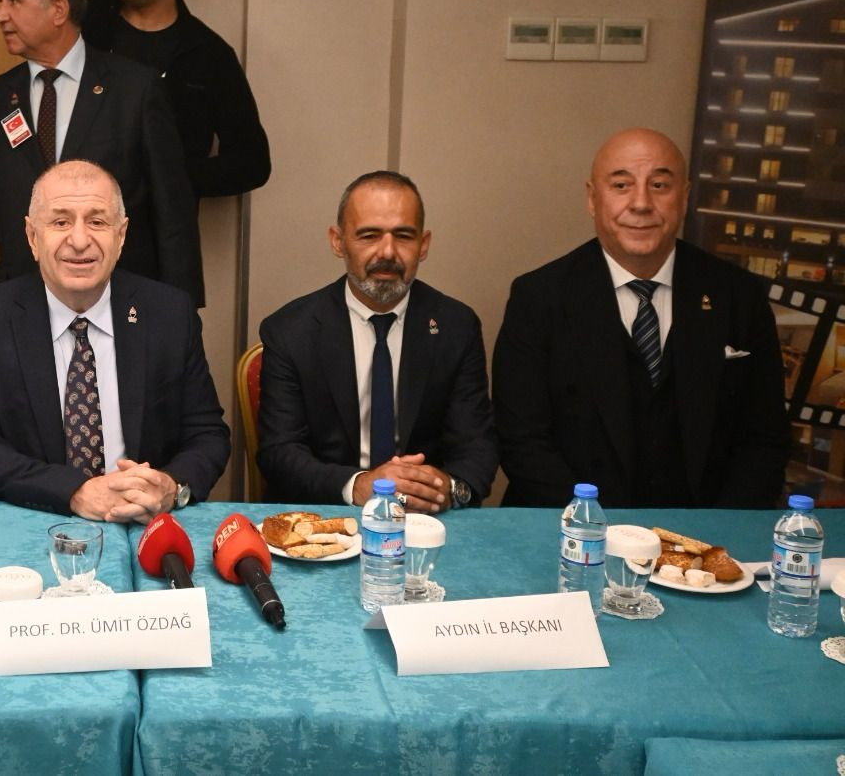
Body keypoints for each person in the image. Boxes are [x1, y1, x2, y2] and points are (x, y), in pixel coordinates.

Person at [493, 127, 788, 508]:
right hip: (571, 527)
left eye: (660, 185)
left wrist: (718, 534)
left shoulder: (739, 296)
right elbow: (522, 441)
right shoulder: (539, 297)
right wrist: (594, 527)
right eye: (621, 185)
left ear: (685, 196)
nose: (641, 203)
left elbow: (764, 438)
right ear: (593, 199)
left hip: (707, 532)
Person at [0, 0, 202, 329]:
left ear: (58, 10)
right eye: (0, 0)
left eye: (13, 0)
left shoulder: (135, 91)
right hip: (19, 302)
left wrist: (181, 308)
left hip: (118, 302)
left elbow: (173, 210)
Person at [0, 159, 229, 521]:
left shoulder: (169, 314)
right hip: (37, 519)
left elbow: (207, 435)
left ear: (121, 236)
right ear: (32, 237)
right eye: (60, 222)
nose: (79, 241)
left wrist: (171, 486)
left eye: (97, 222)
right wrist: (75, 492)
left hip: (146, 523)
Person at [255, 171, 496, 512]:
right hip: (326, 516)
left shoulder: (456, 326)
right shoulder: (291, 331)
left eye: (404, 236)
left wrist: (448, 487)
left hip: (426, 518)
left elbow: (477, 448)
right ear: (338, 241)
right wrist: (359, 486)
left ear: (424, 244)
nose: (388, 252)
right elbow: (279, 453)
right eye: (369, 236)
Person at [82, 0, 270, 198]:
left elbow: (253, 162)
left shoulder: (209, 54)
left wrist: (169, 177)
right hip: (73, 216)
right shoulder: (84, 24)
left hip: (163, 224)